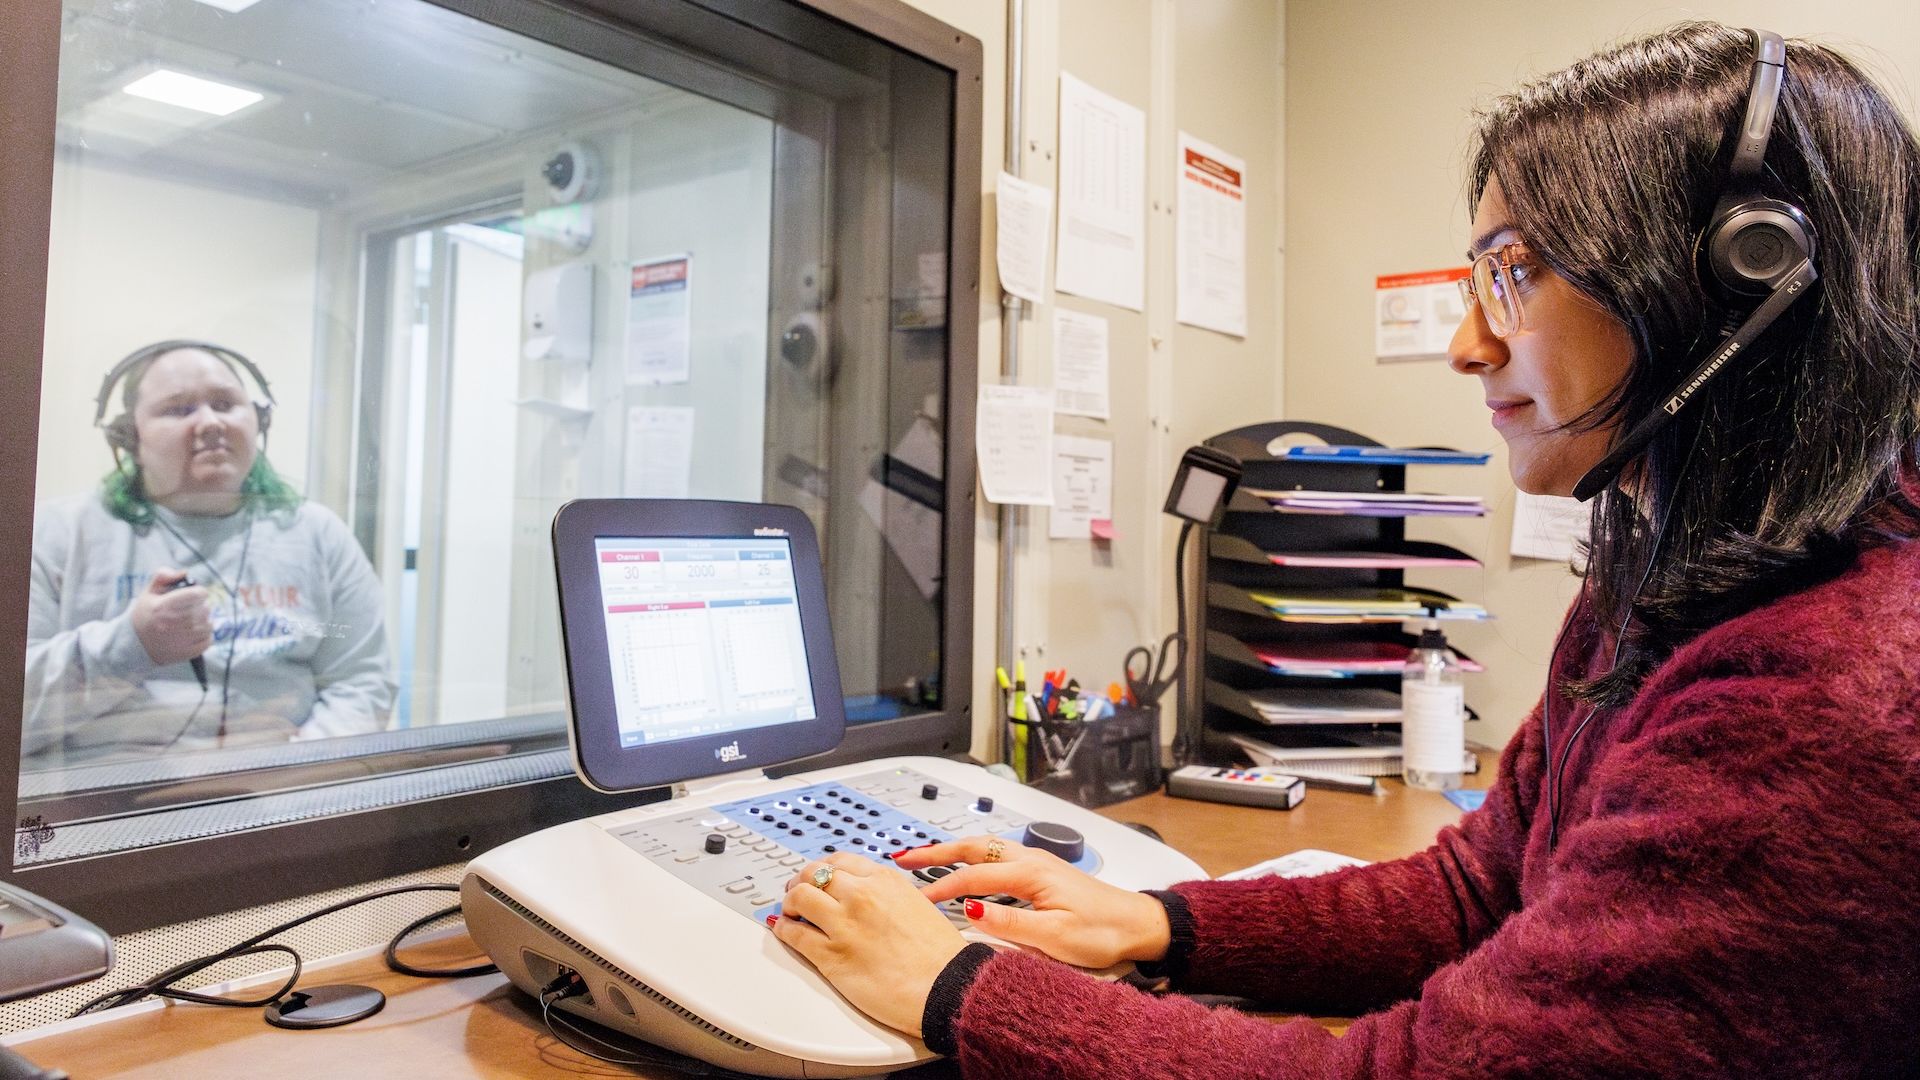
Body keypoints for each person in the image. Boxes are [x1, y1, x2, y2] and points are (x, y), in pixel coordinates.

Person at [766, 24, 1920, 1077]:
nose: (1467, 343)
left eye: (1516, 272)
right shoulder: (1668, 575)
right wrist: (1160, 923)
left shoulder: (1830, 699)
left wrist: (961, 986)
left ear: (1740, 281)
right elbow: (1479, 888)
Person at [25, 341, 395, 766]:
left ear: (260, 421)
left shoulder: (318, 534)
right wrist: (132, 643)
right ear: (128, 437)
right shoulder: (57, 535)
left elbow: (362, 681)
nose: (210, 423)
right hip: (111, 796)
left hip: (286, 786)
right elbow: (15, 712)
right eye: (179, 409)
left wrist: (297, 771)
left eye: (224, 404)